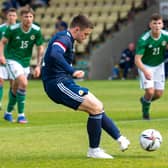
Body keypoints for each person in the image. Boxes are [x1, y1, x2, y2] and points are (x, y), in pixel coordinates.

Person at [41, 14, 130, 159]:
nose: (86, 37)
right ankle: (94, 150)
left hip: (64, 82)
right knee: (95, 107)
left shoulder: (67, 38)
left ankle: (119, 138)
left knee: (97, 106)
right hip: (57, 84)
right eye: (86, 34)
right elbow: (54, 54)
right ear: (77, 29)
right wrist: (72, 70)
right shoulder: (64, 38)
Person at [0, 6, 44, 123]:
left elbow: (40, 48)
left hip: (25, 62)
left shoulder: (36, 30)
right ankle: (21, 115)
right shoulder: (13, 29)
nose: (28, 19)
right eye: (26, 17)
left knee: (15, 87)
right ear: (21, 18)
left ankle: (8, 113)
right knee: (24, 83)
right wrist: (1, 56)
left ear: (33, 18)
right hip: (12, 60)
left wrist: (38, 66)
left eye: (30, 16)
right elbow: (2, 42)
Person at [135, 13, 168, 120]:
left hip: (159, 65)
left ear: (162, 25)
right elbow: (137, 60)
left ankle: (144, 101)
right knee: (150, 91)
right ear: (150, 25)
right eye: (154, 23)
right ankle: (145, 115)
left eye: (159, 23)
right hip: (146, 66)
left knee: (158, 94)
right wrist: (145, 71)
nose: (157, 26)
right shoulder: (144, 40)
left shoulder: (166, 36)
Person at [0, 8, 17, 110]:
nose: (11, 17)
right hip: (2, 58)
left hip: (14, 60)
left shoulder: (19, 29)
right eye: (10, 15)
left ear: (16, 17)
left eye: (13, 15)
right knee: (0, 81)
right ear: (7, 16)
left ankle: (11, 104)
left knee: (13, 83)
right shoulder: (1, 28)